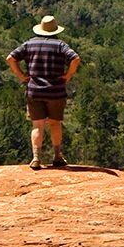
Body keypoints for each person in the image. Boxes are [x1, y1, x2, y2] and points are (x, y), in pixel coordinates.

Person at [6, 15, 81, 169]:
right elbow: (75, 58)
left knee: (37, 125)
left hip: (34, 90)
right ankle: (58, 156)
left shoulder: (29, 44)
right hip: (56, 91)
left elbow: (10, 58)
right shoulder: (60, 45)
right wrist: (68, 76)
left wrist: (21, 75)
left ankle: (36, 158)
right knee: (55, 123)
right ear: (55, 30)